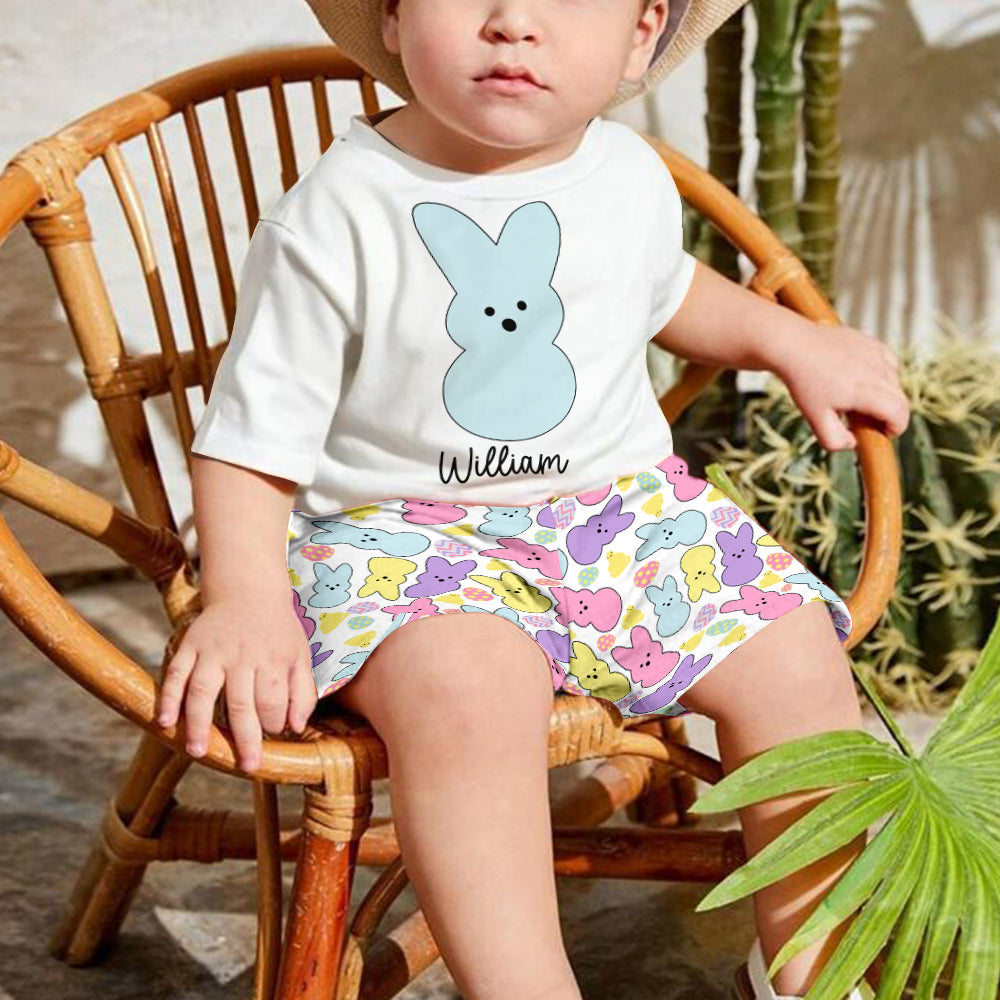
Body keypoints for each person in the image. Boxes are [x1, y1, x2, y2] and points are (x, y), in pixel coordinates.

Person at [158, 1, 910, 997]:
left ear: (641, 32)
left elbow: (666, 289)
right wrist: (245, 594)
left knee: (794, 652)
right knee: (467, 693)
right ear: (393, 14)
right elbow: (252, 435)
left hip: (619, 513)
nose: (514, 21)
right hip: (405, 537)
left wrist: (787, 339)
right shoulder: (339, 214)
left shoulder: (626, 172)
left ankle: (809, 965)